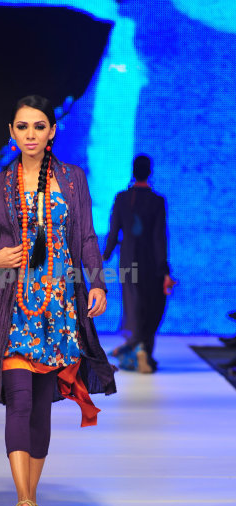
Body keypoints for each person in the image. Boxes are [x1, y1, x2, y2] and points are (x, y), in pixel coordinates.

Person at [0, 95, 116, 506]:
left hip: (58, 309)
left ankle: (31, 500)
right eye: (22, 126)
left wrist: (97, 282)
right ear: (11, 132)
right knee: (18, 400)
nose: (31, 134)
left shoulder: (72, 179)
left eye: (39, 126)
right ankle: (22, 500)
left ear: (52, 130)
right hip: (13, 307)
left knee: (40, 407)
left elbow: (87, 237)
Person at [102, 154, 176, 373]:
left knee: (133, 304)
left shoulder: (122, 198)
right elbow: (159, 237)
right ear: (150, 171)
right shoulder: (157, 200)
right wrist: (164, 269)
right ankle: (142, 351)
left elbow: (113, 232)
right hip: (151, 261)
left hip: (128, 259)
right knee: (151, 305)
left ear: (133, 171)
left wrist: (104, 256)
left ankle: (135, 348)